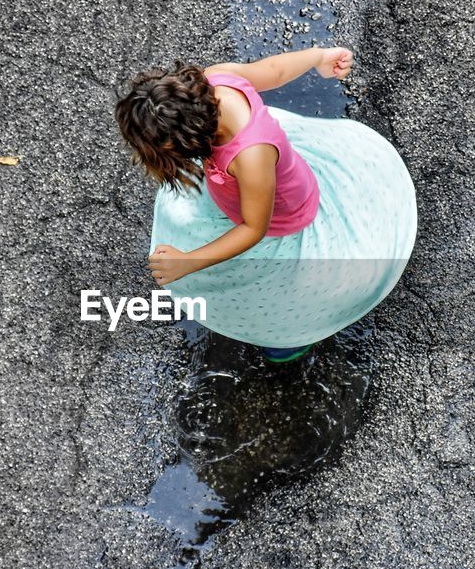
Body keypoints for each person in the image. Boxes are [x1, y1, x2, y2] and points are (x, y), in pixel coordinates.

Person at [113, 46, 416, 362]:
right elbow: (274, 70)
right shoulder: (214, 81)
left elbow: (254, 228)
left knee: (279, 297)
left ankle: (289, 337)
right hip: (251, 190)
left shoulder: (252, 157)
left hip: (278, 221)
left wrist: (190, 261)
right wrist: (318, 57)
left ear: (187, 138)